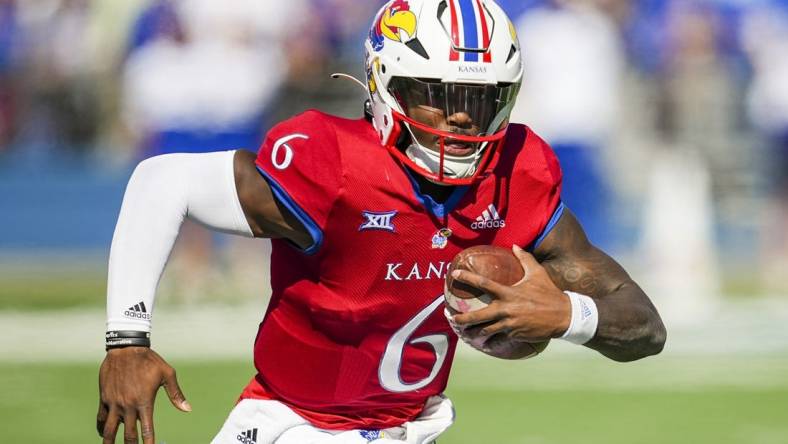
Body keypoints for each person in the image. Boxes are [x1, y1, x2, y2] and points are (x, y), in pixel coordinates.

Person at [97, 1, 666, 443]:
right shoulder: (332, 161)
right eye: (437, 95)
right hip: (292, 426)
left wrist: (568, 313)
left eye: (480, 97)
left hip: (412, 426)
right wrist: (127, 341)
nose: (462, 115)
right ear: (385, 84)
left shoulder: (519, 172)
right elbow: (160, 181)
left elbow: (644, 327)